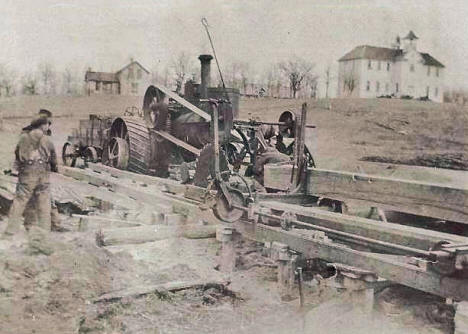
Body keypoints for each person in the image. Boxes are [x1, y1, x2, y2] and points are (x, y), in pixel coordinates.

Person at [2, 117, 57, 243]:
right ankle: (44, 232)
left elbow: (17, 155)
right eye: (47, 124)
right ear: (42, 125)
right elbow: (53, 159)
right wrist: (52, 168)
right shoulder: (47, 139)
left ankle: (10, 232)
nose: (48, 127)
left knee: (20, 201)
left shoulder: (23, 137)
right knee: (44, 203)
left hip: (27, 173)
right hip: (43, 174)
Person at [21, 109, 66, 232]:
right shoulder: (27, 134)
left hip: (42, 172)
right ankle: (30, 226)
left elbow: (51, 154)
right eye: (47, 123)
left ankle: (55, 224)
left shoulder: (46, 134)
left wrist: (54, 167)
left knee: (48, 198)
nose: (48, 125)